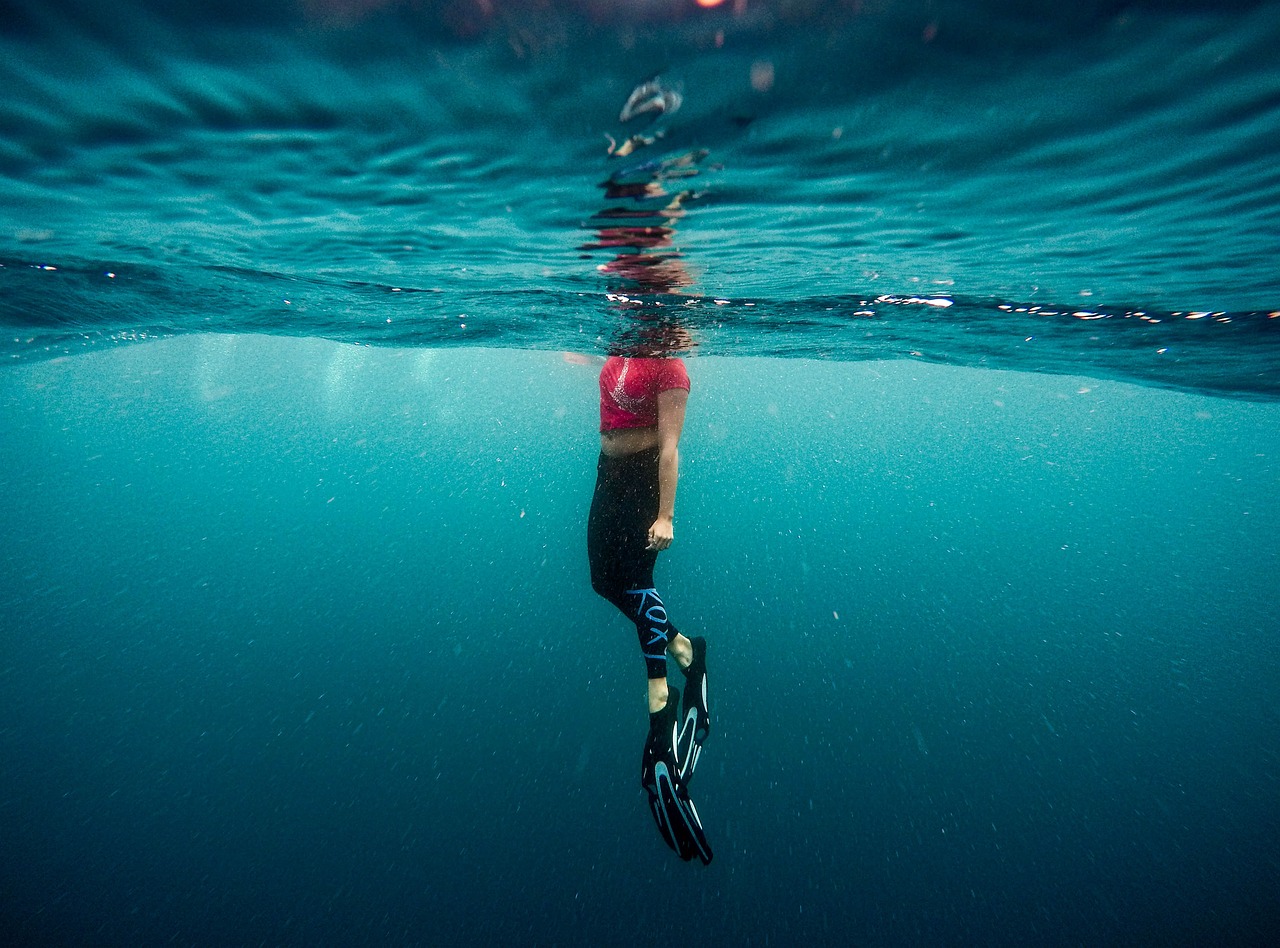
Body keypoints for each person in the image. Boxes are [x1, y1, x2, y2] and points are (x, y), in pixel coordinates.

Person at [587, 350, 713, 864]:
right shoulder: (625, 339)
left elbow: (669, 447)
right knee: (603, 580)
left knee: (637, 582)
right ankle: (687, 649)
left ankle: (659, 717)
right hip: (608, 470)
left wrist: (666, 515)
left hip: (641, 480)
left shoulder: (672, 368)